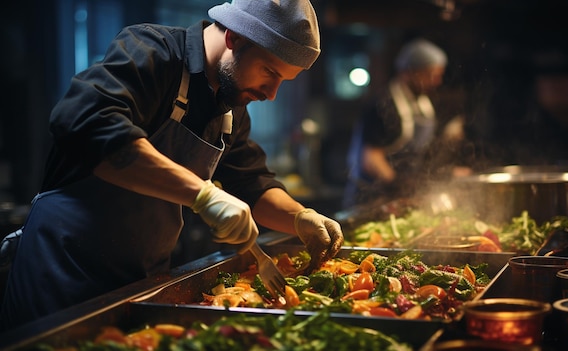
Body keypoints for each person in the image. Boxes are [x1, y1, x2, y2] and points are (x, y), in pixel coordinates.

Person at [0, 0, 343, 330]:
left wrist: (299, 218)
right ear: (234, 37)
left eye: (284, 80)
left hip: (139, 282)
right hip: (58, 275)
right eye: (270, 71)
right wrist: (203, 196)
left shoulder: (229, 106)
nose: (271, 93)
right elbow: (88, 124)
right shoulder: (152, 51)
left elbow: (252, 184)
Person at [343, 38, 465, 209]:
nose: (437, 81)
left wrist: (444, 174)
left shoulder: (424, 103)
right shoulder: (383, 104)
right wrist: (398, 184)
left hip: (401, 197)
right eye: (431, 75)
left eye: (439, 75)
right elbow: (371, 159)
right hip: (371, 198)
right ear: (409, 73)